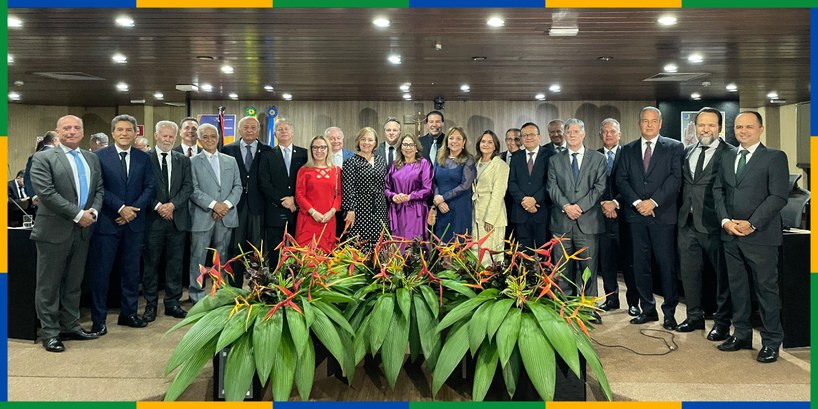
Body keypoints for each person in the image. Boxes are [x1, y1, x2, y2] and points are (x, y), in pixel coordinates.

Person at [713, 111, 788, 363]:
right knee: (738, 288)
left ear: (761, 129)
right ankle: (742, 334)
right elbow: (718, 190)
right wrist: (725, 221)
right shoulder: (727, 155)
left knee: (766, 290)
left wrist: (752, 223)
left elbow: (778, 196)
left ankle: (771, 342)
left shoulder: (775, 157)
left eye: (748, 127)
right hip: (731, 234)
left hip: (761, 236)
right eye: (738, 127)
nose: (742, 131)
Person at [29, 115, 103, 352]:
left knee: (73, 283)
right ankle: (50, 332)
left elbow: (99, 189)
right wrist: (77, 214)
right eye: (66, 128)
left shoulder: (91, 158)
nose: (72, 131)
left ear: (83, 132)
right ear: (57, 132)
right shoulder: (43, 158)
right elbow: (47, 194)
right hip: (53, 231)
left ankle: (70, 325)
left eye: (76, 128)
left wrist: (93, 211)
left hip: (82, 232)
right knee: (48, 286)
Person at [615, 106, 683, 330]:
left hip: (662, 216)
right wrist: (637, 203)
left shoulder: (674, 147)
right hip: (635, 218)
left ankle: (670, 313)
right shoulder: (627, 150)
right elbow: (622, 180)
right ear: (639, 123)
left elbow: (675, 179)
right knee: (640, 265)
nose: (650, 124)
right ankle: (648, 309)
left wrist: (653, 202)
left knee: (666, 265)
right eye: (645, 121)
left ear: (660, 123)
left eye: (654, 121)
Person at [89, 114, 156, 334]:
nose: (124, 133)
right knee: (102, 273)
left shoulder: (144, 158)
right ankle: (99, 319)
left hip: (134, 224)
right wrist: (120, 208)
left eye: (129, 130)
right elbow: (99, 187)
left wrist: (132, 211)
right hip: (107, 223)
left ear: (136, 132)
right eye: (120, 130)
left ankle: (129, 314)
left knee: (131, 272)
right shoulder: (99, 157)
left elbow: (149, 187)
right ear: (112, 133)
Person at [676, 107, 735, 336]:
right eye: (702, 124)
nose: (706, 129)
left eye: (711, 125)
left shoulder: (729, 153)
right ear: (695, 127)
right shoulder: (688, 150)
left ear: (720, 128)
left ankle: (722, 324)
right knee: (689, 273)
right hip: (687, 222)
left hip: (714, 223)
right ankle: (694, 317)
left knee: (722, 277)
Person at [546, 119, 606, 322]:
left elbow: (599, 187)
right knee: (562, 269)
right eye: (568, 132)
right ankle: (566, 309)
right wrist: (566, 207)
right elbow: (552, 187)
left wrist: (579, 207)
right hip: (562, 222)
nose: (571, 135)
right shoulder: (555, 160)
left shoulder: (597, 158)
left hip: (587, 222)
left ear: (583, 134)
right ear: (564, 135)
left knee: (588, 269)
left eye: (575, 131)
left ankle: (589, 309)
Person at [141, 120, 192, 321]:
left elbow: (188, 187)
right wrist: (158, 206)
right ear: (156, 136)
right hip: (153, 220)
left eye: (171, 136)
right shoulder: (144, 159)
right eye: (164, 136)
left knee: (175, 264)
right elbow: (141, 187)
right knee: (151, 264)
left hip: (176, 220)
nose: (168, 139)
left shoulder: (183, 160)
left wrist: (172, 205)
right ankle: (150, 306)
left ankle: (172, 302)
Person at [188, 123, 242, 302]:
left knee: (222, 256)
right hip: (202, 216)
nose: (209, 140)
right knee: (198, 257)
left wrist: (224, 205)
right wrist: (213, 205)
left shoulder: (230, 160)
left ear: (218, 138)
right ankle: (197, 295)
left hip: (226, 216)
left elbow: (238, 187)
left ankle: (219, 293)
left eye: (213, 136)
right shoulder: (192, 161)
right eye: (205, 136)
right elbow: (193, 190)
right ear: (198, 139)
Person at [221, 116, 272, 288]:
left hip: (258, 206)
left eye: (253, 127)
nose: (249, 130)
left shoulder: (267, 150)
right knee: (235, 248)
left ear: (258, 131)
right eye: (245, 127)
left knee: (257, 249)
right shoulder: (228, 150)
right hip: (236, 206)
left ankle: (257, 286)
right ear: (239, 130)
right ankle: (234, 287)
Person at [597, 118, 640, 317]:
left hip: (625, 217)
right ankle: (611, 299)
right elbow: (590, 185)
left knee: (629, 262)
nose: (608, 135)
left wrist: (615, 203)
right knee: (606, 263)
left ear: (620, 134)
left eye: (612, 131)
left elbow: (635, 185)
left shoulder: (630, 154)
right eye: (605, 132)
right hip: (601, 217)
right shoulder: (594, 156)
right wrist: (604, 204)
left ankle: (633, 302)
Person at [258, 118, 307, 262]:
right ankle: (274, 282)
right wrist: (283, 201)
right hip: (275, 210)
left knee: (297, 251)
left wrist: (294, 200)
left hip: (298, 211)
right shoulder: (267, 155)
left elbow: (307, 182)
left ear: (292, 132)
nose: (284, 131)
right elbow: (264, 183)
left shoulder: (304, 154)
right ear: (275, 134)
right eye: (280, 129)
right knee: (275, 251)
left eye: (287, 129)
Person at [508, 122, 555, 253]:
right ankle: (526, 274)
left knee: (544, 251)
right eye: (524, 135)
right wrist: (524, 200)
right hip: (520, 211)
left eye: (532, 134)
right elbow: (511, 183)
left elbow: (551, 182)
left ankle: (544, 274)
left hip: (542, 210)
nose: (528, 138)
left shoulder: (550, 155)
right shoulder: (516, 157)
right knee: (523, 253)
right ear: (521, 139)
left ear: (539, 137)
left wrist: (534, 200)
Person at [341, 127, 388, 253]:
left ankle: (379, 269)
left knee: (380, 240)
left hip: (380, 206)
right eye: (363, 139)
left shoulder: (381, 161)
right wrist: (350, 209)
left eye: (370, 140)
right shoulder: (351, 162)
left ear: (375, 143)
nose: (366, 143)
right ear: (358, 141)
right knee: (360, 242)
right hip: (359, 208)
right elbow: (348, 187)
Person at [295, 135, 342, 253]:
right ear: (310, 150)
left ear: (328, 149)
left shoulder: (336, 171)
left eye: (322, 147)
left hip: (328, 219)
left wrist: (332, 212)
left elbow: (339, 195)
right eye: (315, 148)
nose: (319, 151)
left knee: (326, 256)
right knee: (306, 257)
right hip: (308, 219)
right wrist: (313, 212)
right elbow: (299, 195)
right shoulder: (304, 170)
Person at [386, 134, 434, 243]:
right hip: (397, 211)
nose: (408, 148)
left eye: (411, 145)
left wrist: (409, 197)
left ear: (416, 148)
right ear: (400, 147)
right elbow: (386, 188)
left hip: (416, 212)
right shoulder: (394, 165)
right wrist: (393, 196)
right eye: (405, 145)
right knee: (398, 247)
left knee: (415, 248)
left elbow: (428, 189)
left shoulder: (424, 164)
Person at [431, 127, 475, 243]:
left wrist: (443, 198)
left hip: (459, 208)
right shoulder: (439, 157)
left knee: (457, 246)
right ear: (447, 141)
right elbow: (434, 181)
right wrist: (438, 200)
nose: (454, 141)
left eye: (458, 138)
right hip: (442, 208)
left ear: (464, 142)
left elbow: (465, 185)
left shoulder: (468, 159)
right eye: (451, 138)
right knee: (442, 245)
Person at [471, 130, 509, 266]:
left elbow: (499, 194)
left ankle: (491, 284)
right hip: (476, 212)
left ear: (495, 146)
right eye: (483, 141)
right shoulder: (476, 163)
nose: (486, 144)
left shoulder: (500, 165)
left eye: (490, 142)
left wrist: (490, 219)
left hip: (492, 215)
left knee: (490, 254)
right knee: (476, 253)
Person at [25, 130, 59, 198]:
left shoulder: (33, 156)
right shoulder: (59, 156)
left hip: (39, 197)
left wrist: (34, 196)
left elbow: (28, 178)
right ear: (54, 141)